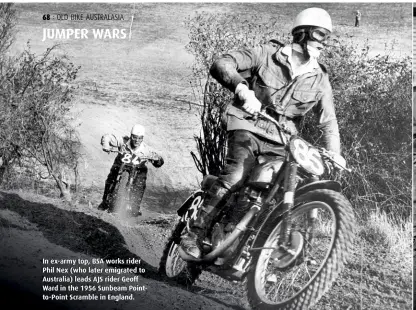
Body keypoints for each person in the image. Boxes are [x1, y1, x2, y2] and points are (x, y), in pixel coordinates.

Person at [180, 7, 344, 258]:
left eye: (327, 36)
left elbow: (328, 122)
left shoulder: (319, 78)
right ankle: (193, 234)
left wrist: (336, 154)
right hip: (247, 122)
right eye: (321, 35)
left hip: (282, 139)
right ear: (302, 34)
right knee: (236, 176)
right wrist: (242, 90)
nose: (325, 43)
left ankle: (242, 245)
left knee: (275, 191)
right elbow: (221, 63)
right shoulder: (266, 54)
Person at [98, 124, 164, 216]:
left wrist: (157, 160)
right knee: (111, 178)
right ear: (131, 136)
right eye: (134, 137)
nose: (137, 140)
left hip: (138, 170)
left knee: (140, 184)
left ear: (142, 138)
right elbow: (107, 137)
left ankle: (134, 208)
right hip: (120, 166)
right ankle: (105, 201)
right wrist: (106, 145)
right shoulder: (123, 141)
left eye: (140, 138)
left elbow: (159, 161)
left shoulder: (146, 150)